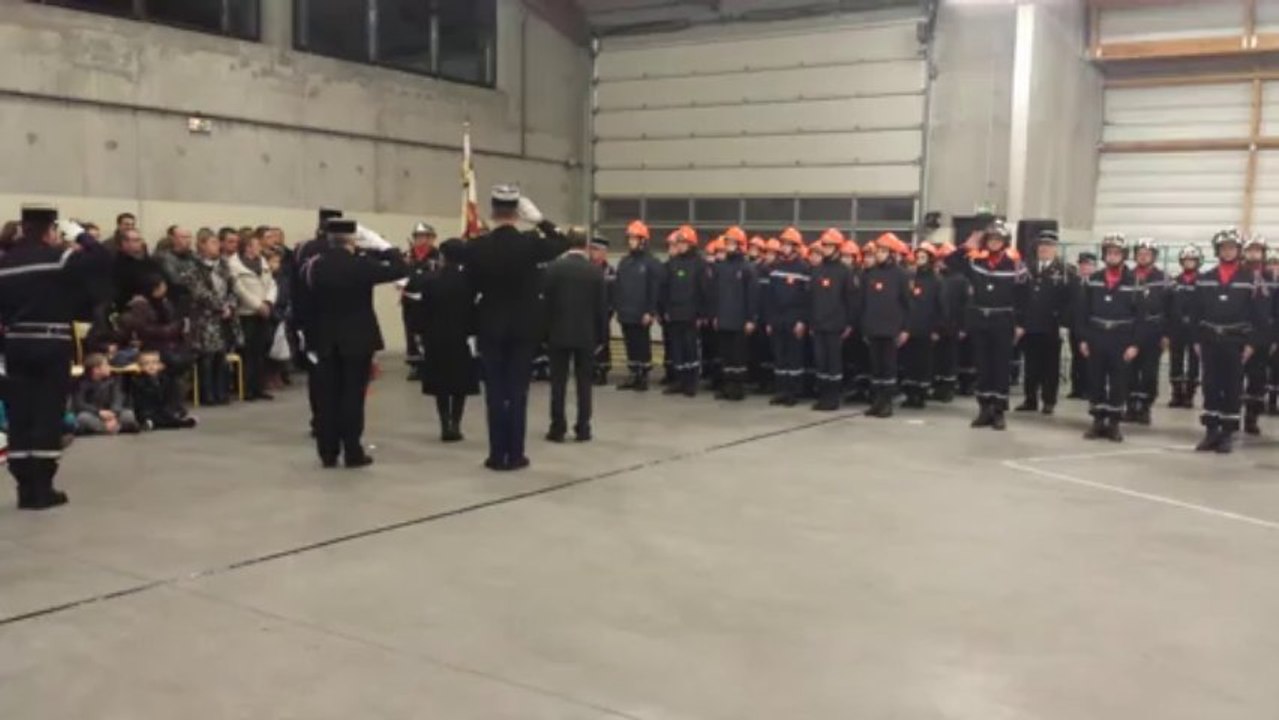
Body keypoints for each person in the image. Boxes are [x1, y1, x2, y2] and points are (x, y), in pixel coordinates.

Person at [0, 206, 108, 509]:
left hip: (16, 344)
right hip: (51, 342)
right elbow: (102, 259)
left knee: (21, 415)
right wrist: (81, 235)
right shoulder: (59, 258)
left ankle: (25, 487)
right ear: (50, 231)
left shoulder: (5, 263)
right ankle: (42, 488)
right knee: (47, 412)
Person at [465, 185, 567, 471]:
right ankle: (516, 453)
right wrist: (540, 221)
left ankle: (497, 454)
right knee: (517, 391)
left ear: (493, 210)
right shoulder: (531, 244)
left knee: (495, 393)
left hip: (490, 327)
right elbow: (563, 242)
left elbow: (469, 288)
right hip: (524, 328)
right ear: (517, 212)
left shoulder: (478, 246)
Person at [304, 218, 407, 468]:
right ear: (352, 239)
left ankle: (328, 452)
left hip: (325, 337)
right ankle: (352, 451)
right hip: (358, 338)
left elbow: (307, 302)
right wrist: (382, 245)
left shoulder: (314, 266)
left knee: (327, 396)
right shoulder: (361, 265)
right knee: (353, 395)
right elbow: (400, 269)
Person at [1192, 228, 1269, 453]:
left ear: (1238, 251)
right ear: (1217, 251)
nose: (1228, 252)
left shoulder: (1251, 280)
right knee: (1210, 386)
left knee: (1232, 387)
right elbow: (1196, 312)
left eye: (1232, 248)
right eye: (1224, 248)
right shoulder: (1205, 278)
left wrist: (1252, 343)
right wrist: (1196, 340)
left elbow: (1260, 316)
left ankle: (1227, 433)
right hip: (1209, 340)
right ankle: (1211, 431)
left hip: (1236, 342)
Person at [947, 218, 1026, 431]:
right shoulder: (976, 261)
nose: (994, 243)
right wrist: (965, 247)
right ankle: (984, 409)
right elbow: (950, 262)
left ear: (1005, 242)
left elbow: (1023, 298)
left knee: (1000, 367)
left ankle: (999, 411)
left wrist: (1021, 324)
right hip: (980, 320)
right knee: (982, 366)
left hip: (1003, 321)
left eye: (998, 239)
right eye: (991, 239)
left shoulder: (1016, 265)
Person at [409, 238, 478, 443]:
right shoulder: (470, 281)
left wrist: (419, 333)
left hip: (436, 336)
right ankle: (456, 423)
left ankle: (444, 423)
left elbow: (421, 309)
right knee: (460, 383)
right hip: (462, 336)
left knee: (441, 383)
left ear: (442, 256)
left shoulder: (430, 280)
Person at [543, 230, 608, 442]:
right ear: (585, 245)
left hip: (558, 333)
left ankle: (557, 427)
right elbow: (601, 308)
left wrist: (543, 334)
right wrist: (602, 338)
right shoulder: (595, 272)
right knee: (584, 384)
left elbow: (545, 305)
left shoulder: (553, 268)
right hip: (586, 334)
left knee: (558, 383)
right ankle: (583, 427)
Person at [1077, 234, 1141, 442]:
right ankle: (1097, 421)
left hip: (1121, 339)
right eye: (1109, 253)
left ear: (1123, 255)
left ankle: (1114, 423)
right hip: (1096, 336)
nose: (1112, 256)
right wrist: (1083, 339)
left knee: (1118, 382)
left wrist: (1135, 344)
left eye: (1116, 253)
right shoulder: (1094, 279)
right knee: (1095, 379)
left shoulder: (1135, 281)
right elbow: (1083, 312)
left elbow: (1141, 316)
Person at [1015, 229, 1071, 415]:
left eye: (1048, 245)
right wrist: (1019, 322)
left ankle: (1049, 401)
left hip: (1052, 326)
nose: (1044, 248)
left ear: (1055, 248)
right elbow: (1019, 298)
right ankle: (1030, 399)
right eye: (1041, 245)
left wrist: (1064, 324)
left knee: (1050, 367)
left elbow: (1069, 301)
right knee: (1031, 365)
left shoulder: (1065, 271)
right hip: (1030, 325)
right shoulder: (1026, 269)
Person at [859, 234, 912, 418]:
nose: (879, 254)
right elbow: (863, 303)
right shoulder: (869, 274)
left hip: (891, 329)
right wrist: (864, 327)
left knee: (889, 367)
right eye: (878, 251)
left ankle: (887, 402)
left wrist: (905, 329)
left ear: (891, 253)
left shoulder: (901, 275)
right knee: (876, 367)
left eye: (883, 251)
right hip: (873, 327)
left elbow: (907, 304)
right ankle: (877, 402)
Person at [118, 274, 193, 400]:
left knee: (186, 357)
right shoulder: (140, 305)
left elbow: (174, 320)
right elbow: (143, 329)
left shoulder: (165, 302)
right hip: (148, 344)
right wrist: (167, 330)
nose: (164, 289)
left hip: (167, 342)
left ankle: (172, 396)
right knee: (171, 361)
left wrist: (176, 329)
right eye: (161, 286)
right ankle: (166, 396)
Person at [808, 229, 859, 411]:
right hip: (818, 324)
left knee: (833, 362)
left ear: (837, 248)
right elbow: (811, 298)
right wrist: (811, 321)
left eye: (829, 246)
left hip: (836, 325)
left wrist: (849, 323)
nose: (826, 249)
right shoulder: (817, 270)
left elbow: (851, 300)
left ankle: (833, 398)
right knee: (821, 361)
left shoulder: (845, 272)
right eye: (825, 246)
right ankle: (823, 396)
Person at [1122, 237, 1170, 426]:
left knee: (1149, 371)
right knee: (1129, 370)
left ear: (1154, 256)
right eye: (1140, 254)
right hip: (1130, 330)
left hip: (1154, 331)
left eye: (1147, 254)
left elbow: (1171, 309)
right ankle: (1130, 405)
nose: (1143, 257)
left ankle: (1145, 407)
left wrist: (1167, 334)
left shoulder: (1164, 279)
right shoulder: (1127, 277)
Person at [708, 226, 759, 402]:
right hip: (724, 318)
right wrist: (715, 315)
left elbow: (752, 296)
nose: (728, 245)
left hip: (740, 320)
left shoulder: (747, 268)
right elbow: (716, 294)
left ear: (740, 245)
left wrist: (751, 319)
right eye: (727, 242)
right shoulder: (721, 268)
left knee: (738, 356)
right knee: (726, 355)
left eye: (732, 242)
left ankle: (737, 388)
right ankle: (727, 386)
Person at [659, 226, 709, 398]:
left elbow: (704, 291)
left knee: (690, 349)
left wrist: (701, 314)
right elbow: (665, 289)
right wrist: (666, 310)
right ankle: (679, 381)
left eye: (682, 242)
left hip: (691, 315)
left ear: (691, 244)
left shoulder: (699, 264)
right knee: (677, 349)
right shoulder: (672, 264)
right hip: (674, 313)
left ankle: (691, 382)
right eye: (678, 242)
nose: (679, 245)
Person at [228, 232, 279, 401]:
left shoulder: (262, 261)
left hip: (264, 310)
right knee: (248, 352)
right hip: (247, 312)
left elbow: (272, 284)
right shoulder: (234, 264)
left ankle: (259, 387)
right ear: (248, 247)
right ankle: (246, 388)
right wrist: (258, 306)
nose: (260, 248)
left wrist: (268, 302)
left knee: (261, 350)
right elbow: (239, 289)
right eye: (257, 245)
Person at [190, 228, 238, 406]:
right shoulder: (194, 266)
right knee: (208, 356)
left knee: (222, 355)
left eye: (217, 242)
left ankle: (222, 391)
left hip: (224, 316)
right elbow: (199, 292)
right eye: (213, 242)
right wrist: (219, 306)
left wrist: (229, 306)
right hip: (205, 317)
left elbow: (232, 287)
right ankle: (208, 393)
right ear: (202, 245)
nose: (217, 246)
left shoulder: (223, 264)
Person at [614, 220, 663, 392]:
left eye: (634, 238)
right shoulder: (625, 262)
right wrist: (618, 307)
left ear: (643, 240)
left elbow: (654, 289)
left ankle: (643, 376)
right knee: (629, 344)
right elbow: (619, 286)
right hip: (626, 311)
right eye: (630, 238)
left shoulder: (651, 263)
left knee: (641, 344)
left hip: (642, 313)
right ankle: (633, 373)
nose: (631, 242)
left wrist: (650, 311)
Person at [765, 227, 810, 407]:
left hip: (794, 319)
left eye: (787, 244)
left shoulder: (803, 268)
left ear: (796, 247)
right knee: (780, 356)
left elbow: (806, 298)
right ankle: (781, 391)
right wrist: (770, 320)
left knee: (794, 357)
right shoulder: (775, 268)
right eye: (783, 244)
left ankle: (793, 392)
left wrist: (802, 321)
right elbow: (769, 296)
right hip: (777, 319)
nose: (784, 247)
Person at [901, 243, 945, 410]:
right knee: (909, 361)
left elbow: (941, 306)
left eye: (923, 257)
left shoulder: (936, 280)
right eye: (918, 257)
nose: (919, 260)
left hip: (927, 327)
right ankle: (910, 393)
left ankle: (920, 394)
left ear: (930, 259)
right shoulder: (910, 278)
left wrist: (937, 328)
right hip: (910, 327)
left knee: (923, 362)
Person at [1240, 234, 1275, 435]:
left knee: (1257, 380)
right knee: (1234, 379)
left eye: (1258, 250)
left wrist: (1274, 337)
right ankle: (1231, 416)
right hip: (1239, 335)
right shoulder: (1238, 275)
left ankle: (1252, 417)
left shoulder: (1271, 279)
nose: (1254, 254)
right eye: (1251, 250)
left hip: (1263, 337)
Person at [401, 222, 440, 382]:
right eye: (419, 236)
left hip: (430, 300)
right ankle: (415, 365)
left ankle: (431, 364)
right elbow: (399, 274)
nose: (422, 240)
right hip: (410, 300)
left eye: (426, 237)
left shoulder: (438, 256)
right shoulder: (407, 256)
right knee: (411, 332)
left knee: (430, 332)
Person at [1168, 245, 1203, 409]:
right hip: (1177, 328)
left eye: (1192, 260)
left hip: (1196, 329)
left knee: (1194, 361)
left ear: (1198, 262)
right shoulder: (1174, 282)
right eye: (1186, 260)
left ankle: (1189, 394)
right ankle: (1176, 393)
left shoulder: (1203, 282)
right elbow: (1168, 305)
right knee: (1176, 360)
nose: (1189, 263)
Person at [70, 353, 139, 436]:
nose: (109, 367)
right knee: (82, 418)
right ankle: (109, 428)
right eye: (106, 365)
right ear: (96, 370)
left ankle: (111, 427)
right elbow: (79, 404)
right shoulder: (81, 383)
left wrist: (113, 413)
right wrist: (99, 412)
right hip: (95, 414)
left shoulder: (113, 379)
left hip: (112, 413)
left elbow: (118, 398)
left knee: (128, 414)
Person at [933, 241, 966, 403]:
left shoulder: (960, 280)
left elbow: (965, 305)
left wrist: (963, 327)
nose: (940, 263)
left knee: (950, 358)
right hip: (940, 325)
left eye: (943, 259)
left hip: (953, 326)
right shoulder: (939, 279)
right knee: (939, 358)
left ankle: (948, 388)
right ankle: (939, 387)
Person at [131, 350, 198, 430]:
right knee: (153, 417)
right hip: (147, 411)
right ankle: (180, 423)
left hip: (162, 410)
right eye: (146, 363)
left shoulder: (164, 379)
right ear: (140, 366)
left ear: (160, 365)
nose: (151, 366)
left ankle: (173, 421)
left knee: (168, 415)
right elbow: (140, 402)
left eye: (154, 362)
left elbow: (168, 397)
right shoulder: (139, 380)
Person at [1067, 251, 1098, 400]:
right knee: (1076, 357)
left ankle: (1089, 388)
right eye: (1083, 264)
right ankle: (1077, 388)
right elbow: (1067, 304)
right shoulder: (1073, 283)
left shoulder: (1098, 282)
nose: (1085, 267)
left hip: (1092, 328)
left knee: (1090, 359)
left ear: (1094, 266)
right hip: (1075, 326)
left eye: (1089, 264)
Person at [588, 236, 616, 386]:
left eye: (596, 250)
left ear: (604, 252)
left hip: (604, 313)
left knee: (603, 342)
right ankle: (590, 369)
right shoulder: (586, 268)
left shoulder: (609, 271)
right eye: (592, 249)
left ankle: (602, 370)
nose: (593, 253)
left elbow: (614, 292)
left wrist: (610, 310)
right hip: (587, 312)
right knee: (588, 342)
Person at [113, 227, 160, 311]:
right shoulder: (117, 264)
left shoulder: (149, 262)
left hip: (154, 301)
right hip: (130, 305)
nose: (139, 243)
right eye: (135, 240)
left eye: (139, 240)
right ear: (124, 243)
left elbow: (161, 279)